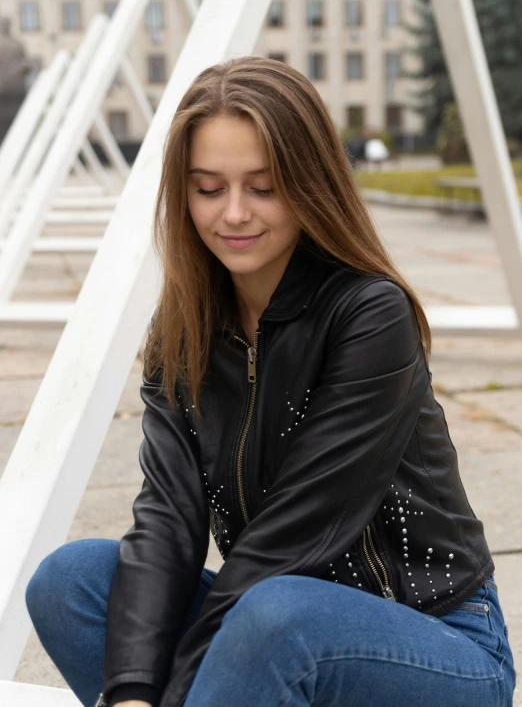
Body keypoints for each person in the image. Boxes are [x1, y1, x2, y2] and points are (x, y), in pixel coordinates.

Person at [25, 56, 516, 707]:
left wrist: (174, 692)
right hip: (277, 621)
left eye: (263, 186)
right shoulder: (184, 328)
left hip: (435, 640)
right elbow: (168, 522)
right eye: (208, 187)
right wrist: (132, 692)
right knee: (71, 580)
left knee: (275, 615)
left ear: (309, 183)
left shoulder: (369, 316)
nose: (233, 214)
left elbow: (292, 540)